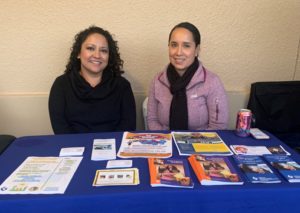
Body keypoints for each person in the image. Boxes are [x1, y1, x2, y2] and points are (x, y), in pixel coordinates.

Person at [49, 26, 136, 134]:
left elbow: (128, 126)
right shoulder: (61, 85)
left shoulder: (122, 86)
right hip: (73, 148)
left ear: (109, 56)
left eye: (103, 50)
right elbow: (60, 128)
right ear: (78, 53)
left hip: (113, 148)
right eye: (90, 48)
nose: (97, 55)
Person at [147, 22, 228, 130]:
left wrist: (190, 145)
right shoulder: (157, 81)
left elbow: (218, 126)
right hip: (165, 143)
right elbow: (152, 120)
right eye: (174, 45)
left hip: (201, 144)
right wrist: (166, 143)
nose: (178, 52)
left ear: (197, 50)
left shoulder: (212, 82)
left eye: (186, 46)